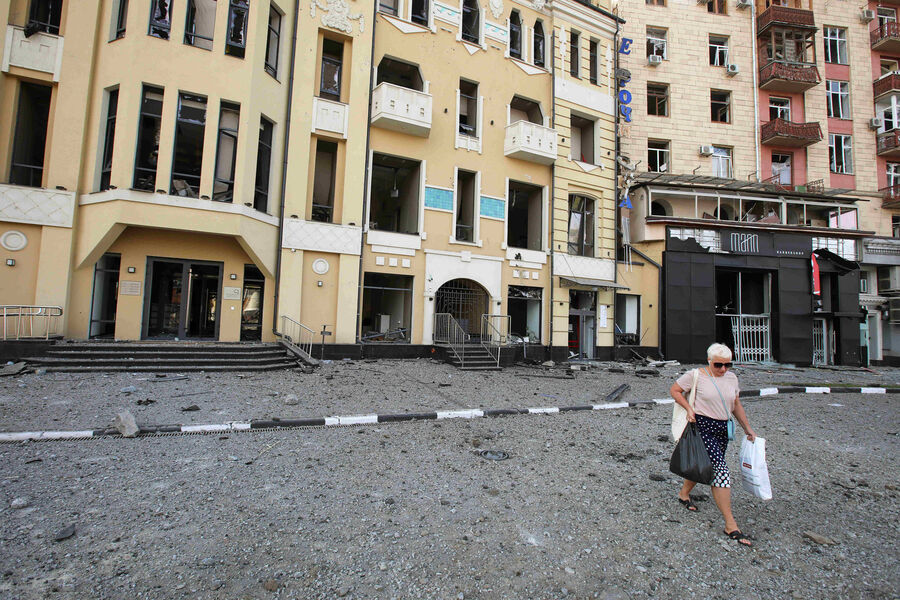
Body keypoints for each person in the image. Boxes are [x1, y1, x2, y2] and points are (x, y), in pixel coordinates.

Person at [669, 342, 757, 547]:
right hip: (702, 427)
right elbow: (675, 390)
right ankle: (730, 524)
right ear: (709, 361)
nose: (723, 369)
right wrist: (688, 409)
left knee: (704, 464)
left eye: (728, 365)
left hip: (723, 430)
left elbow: (735, 404)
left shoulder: (731, 378)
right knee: (720, 471)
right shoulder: (695, 375)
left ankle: (683, 494)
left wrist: (748, 428)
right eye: (718, 365)